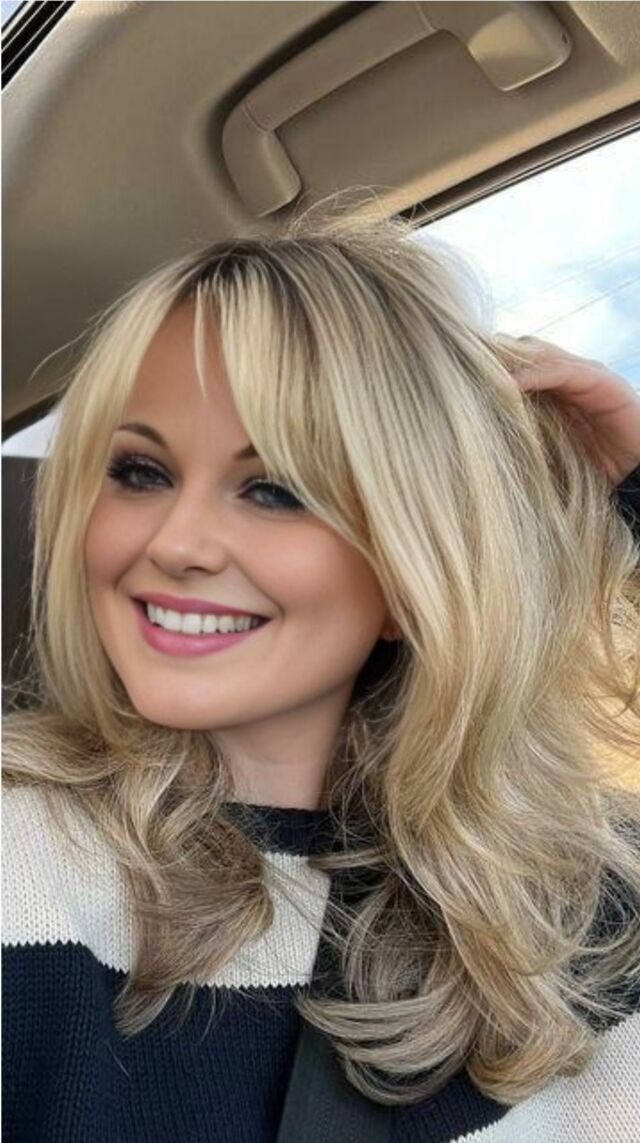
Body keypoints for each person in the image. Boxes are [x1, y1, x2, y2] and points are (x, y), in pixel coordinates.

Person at [3, 207, 640, 1143]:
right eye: (139, 471)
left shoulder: (585, 912)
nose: (175, 542)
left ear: (413, 570)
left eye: (275, 488)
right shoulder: (21, 854)